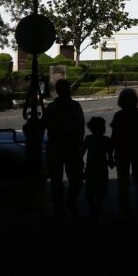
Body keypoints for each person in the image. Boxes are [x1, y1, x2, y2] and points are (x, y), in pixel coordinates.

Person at [42, 78, 85, 220]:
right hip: (65, 147)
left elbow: (44, 125)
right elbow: (81, 127)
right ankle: (64, 205)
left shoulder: (54, 107)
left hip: (61, 147)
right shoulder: (72, 106)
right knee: (67, 180)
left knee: (61, 180)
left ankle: (63, 205)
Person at [111, 87, 138, 225]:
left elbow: (114, 137)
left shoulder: (118, 116)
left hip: (122, 152)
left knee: (123, 184)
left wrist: (110, 155)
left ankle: (124, 213)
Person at [80, 116, 114, 224]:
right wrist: (113, 163)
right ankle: (97, 211)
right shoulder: (107, 140)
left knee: (89, 191)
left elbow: (81, 153)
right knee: (101, 192)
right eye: (103, 126)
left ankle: (93, 210)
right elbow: (110, 159)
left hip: (90, 168)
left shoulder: (88, 139)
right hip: (102, 169)